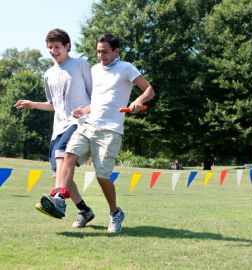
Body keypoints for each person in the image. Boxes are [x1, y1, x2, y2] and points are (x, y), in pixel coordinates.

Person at [39, 33, 155, 233]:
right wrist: (84, 110)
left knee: (102, 176)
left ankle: (115, 212)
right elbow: (98, 101)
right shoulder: (94, 70)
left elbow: (149, 90)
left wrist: (139, 101)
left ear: (116, 51)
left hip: (110, 130)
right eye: (99, 52)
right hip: (87, 125)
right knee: (68, 156)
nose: (101, 55)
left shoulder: (127, 68)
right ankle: (59, 198)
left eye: (105, 52)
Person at [14, 28, 94, 226]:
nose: (53, 51)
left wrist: (86, 111)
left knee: (62, 153)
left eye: (57, 47)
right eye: (49, 48)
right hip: (58, 127)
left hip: (79, 123)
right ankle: (84, 210)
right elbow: (54, 105)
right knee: (60, 173)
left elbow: (95, 96)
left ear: (67, 46)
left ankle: (59, 198)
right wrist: (32, 104)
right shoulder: (48, 74)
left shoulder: (80, 64)